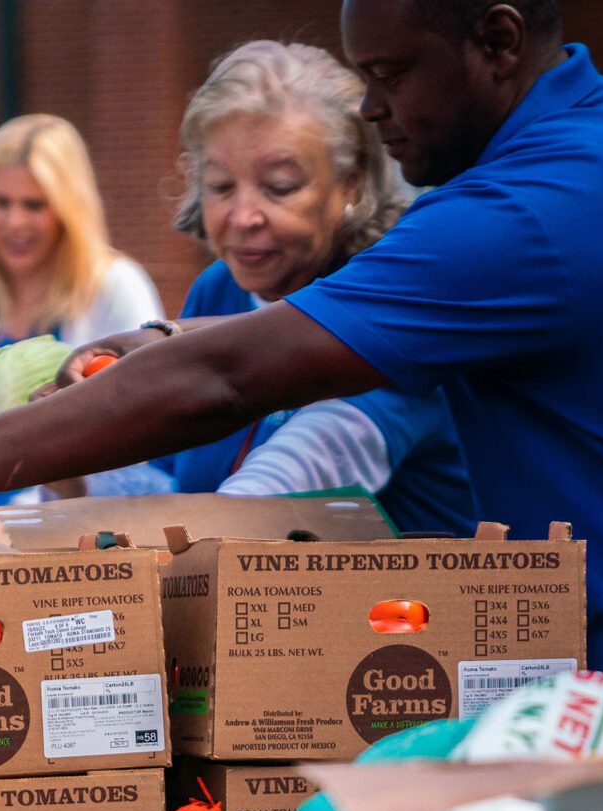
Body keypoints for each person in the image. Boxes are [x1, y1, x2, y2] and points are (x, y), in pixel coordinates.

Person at [0, 0, 603, 732]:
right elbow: (218, 353)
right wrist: (145, 354)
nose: (371, 109)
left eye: (389, 75)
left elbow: (231, 384)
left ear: (498, 42)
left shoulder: (535, 209)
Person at [151, 40, 476, 535]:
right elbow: (174, 478)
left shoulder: (395, 300)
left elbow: (280, 489)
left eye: (279, 186)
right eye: (220, 186)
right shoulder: (217, 289)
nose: (242, 217)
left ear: (351, 184)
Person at [0, 113, 164, 493]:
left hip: (73, 533)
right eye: (1, 203)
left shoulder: (117, 287)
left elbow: (140, 443)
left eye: (34, 205)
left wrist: (19, 521)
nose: (15, 222)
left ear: (69, 208)